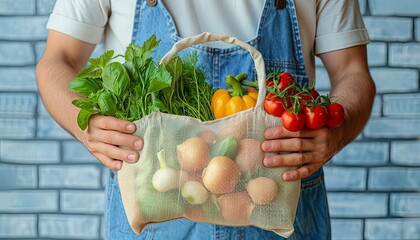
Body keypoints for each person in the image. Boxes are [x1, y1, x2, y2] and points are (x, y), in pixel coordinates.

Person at [36, 0, 376, 239]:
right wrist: (89, 125)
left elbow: (352, 71)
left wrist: (339, 128)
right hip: (155, 210)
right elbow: (57, 61)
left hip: (279, 208)